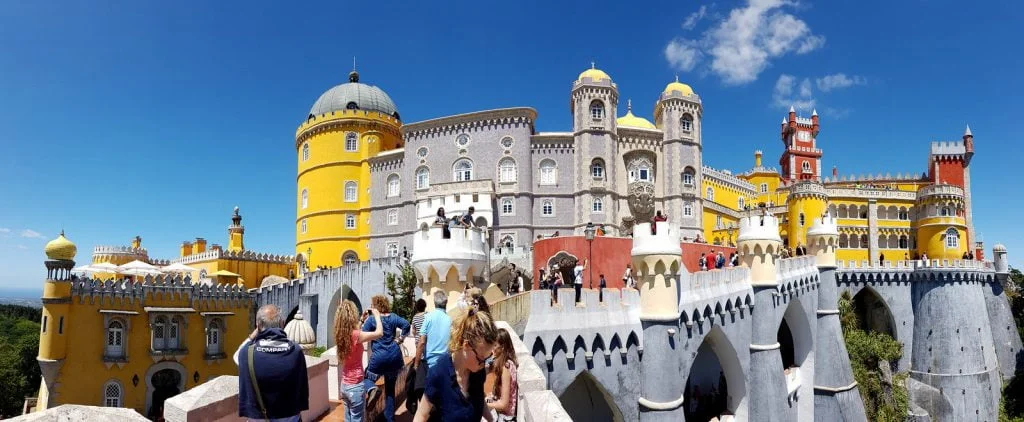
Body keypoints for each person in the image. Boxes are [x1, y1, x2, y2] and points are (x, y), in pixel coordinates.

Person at [413, 309, 500, 422]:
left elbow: (479, 399)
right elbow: (422, 415)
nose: (484, 364)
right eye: (482, 359)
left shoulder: (478, 372)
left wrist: (491, 419)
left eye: (488, 358)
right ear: (466, 345)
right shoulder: (438, 373)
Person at [235, 304, 309, 421]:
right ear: (282, 323)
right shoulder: (295, 351)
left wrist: (254, 334)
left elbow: (236, 356)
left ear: (258, 325)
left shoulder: (247, 353)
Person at [362, 295, 410, 422]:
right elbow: (406, 325)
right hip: (394, 357)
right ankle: (390, 419)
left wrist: (363, 320)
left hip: (379, 358)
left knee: (365, 378)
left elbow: (361, 334)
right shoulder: (393, 317)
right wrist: (399, 340)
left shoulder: (372, 320)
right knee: (390, 390)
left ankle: (372, 389)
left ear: (376, 306)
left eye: (372, 305)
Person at [334, 301, 384, 422]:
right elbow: (379, 333)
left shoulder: (340, 335)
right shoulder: (356, 335)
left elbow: (354, 334)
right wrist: (377, 316)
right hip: (355, 386)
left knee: (348, 419)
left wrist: (361, 321)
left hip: (345, 386)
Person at [412, 292, 451, 415]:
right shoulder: (450, 320)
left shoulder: (428, 318)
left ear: (434, 303)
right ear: (446, 303)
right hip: (445, 366)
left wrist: (416, 364)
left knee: (426, 403)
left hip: (429, 365)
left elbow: (421, 342)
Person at [485, 329, 519, 421]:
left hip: (505, 417)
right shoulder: (504, 363)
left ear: (502, 347)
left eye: (495, 345)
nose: (492, 348)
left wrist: (483, 404)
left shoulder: (506, 367)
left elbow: (503, 405)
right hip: (500, 412)